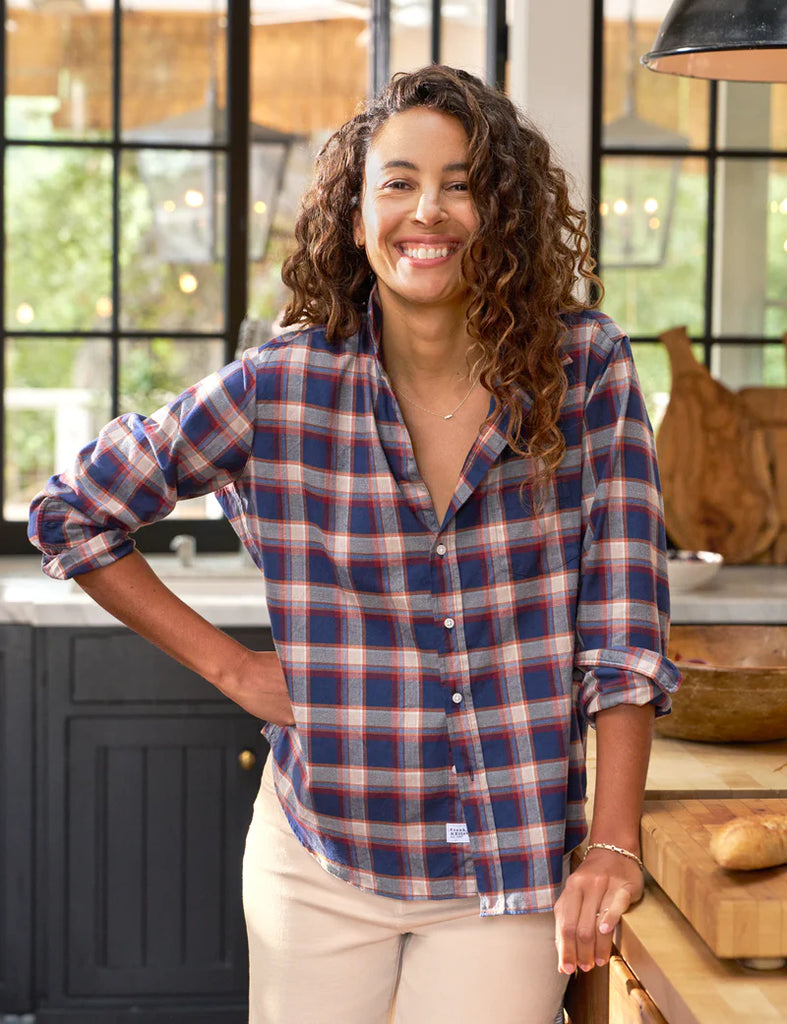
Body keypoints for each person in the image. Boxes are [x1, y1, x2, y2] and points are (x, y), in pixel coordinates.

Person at [28, 65, 679, 1024]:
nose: (430, 211)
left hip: (503, 869)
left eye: (463, 183)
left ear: (503, 209)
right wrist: (234, 671)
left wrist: (613, 843)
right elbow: (73, 512)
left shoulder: (586, 368)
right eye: (399, 182)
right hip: (317, 866)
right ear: (355, 211)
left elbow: (623, 628)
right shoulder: (282, 385)